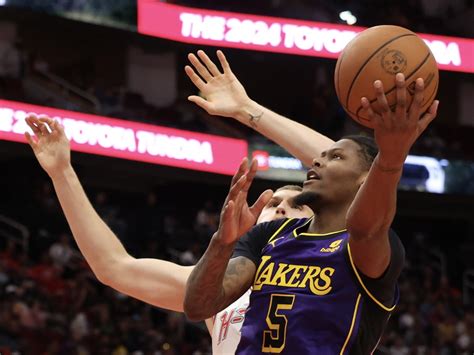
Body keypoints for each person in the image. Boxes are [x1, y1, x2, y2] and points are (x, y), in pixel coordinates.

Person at [184, 70, 439, 354]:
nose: (317, 161)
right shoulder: (269, 234)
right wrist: (222, 242)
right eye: (321, 156)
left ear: (365, 178)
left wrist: (391, 155)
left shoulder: (367, 243)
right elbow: (198, 307)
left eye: (336, 157)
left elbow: (364, 225)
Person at [23, 114, 314, 354]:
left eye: (296, 205)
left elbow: (356, 175)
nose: (280, 209)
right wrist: (63, 173)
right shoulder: (217, 287)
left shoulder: (343, 266)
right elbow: (113, 266)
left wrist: (251, 111)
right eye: (274, 203)